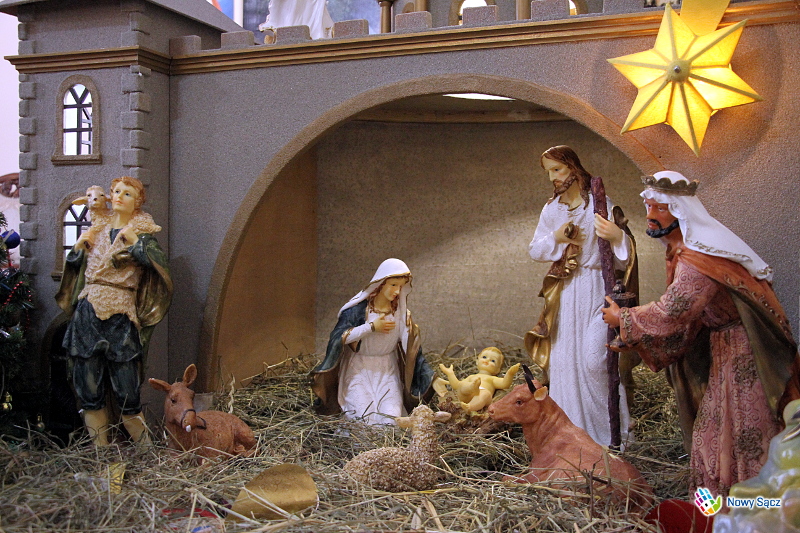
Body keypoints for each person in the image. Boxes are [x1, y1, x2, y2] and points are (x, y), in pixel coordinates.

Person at [602, 170, 800, 497]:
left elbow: (674, 311)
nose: (650, 215)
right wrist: (634, 336)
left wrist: (623, 318)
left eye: (660, 208)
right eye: (649, 207)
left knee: (741, 428)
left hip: (744, 354)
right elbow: (687, 322)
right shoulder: (688, 250)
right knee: (717, 429)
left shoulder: (699, 257)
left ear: (681, 212)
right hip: (727, 349)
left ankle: (748, 502)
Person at [525, 145, 635, 447]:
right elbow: (535, 249)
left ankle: (611, 435)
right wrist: (557, 237)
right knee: (564, 363)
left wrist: (618, 237)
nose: (553, 177)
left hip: (598, 289)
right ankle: (571, 438)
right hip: (566, 292)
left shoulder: (599, 204)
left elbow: (625, 257)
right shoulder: (553, 209)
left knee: (595, 361)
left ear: (573, 168)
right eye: (548, 172)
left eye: (557, 169)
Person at [56, 176, 172, 446]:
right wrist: (78, 248)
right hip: (88, 311)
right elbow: (76, 266)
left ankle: (147, 453)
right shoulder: (96, 230)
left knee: (127, 391)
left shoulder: (142, 233)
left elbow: (159, 267)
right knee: (88, 388)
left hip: (121, 314)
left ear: (138, 201)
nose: (119, 196)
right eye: (116, 191)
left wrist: (135, 244)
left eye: (127, 193)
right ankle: (102, 454)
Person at [310, 258, 434, 425]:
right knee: (363, 420)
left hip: (388, 369)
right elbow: (339, 337)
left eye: (401, 286)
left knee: (390, 420)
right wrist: (371, 327)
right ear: (380, 284)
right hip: (359, 368)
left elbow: (412, 350)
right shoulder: (358, 310)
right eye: (393, 285)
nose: (397, 291)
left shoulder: (401, 314)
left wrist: (431, 377)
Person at [437, 347, 521, 412]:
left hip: (482, 396)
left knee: (485, 393)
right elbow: (456, 385)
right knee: (462, 385)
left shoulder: (492, 379)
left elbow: (504, 384)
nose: (487, 360)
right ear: (477, 361)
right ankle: (472, 387)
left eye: (493, 361)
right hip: (467, 395)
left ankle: (470, 407)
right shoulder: (471, 377)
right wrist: (450, 374)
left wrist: (510, 374)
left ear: (497, 369)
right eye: (484, 357)